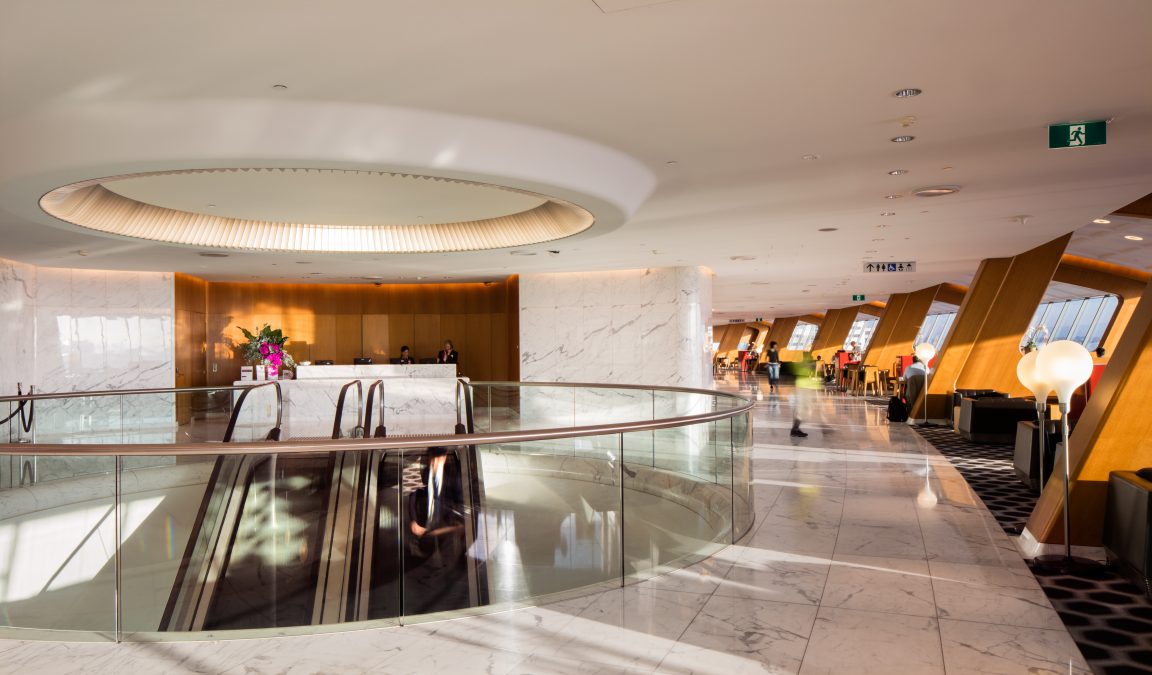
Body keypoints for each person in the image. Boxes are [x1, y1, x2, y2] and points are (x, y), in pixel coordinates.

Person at [791, 352, 822, 438]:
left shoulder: (806, 363)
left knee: (803, 409)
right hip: (803, 387)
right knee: (802, 409)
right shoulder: (805, 364)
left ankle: (795, 429)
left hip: (804, 387)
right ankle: (795, 429)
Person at [903, 355, 929, 424]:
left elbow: (904, 379)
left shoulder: (908, 368)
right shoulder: (926, 368)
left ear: (913, 360)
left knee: (906, 393)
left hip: (912, 393)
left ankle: (910, 413)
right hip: (924, 392)